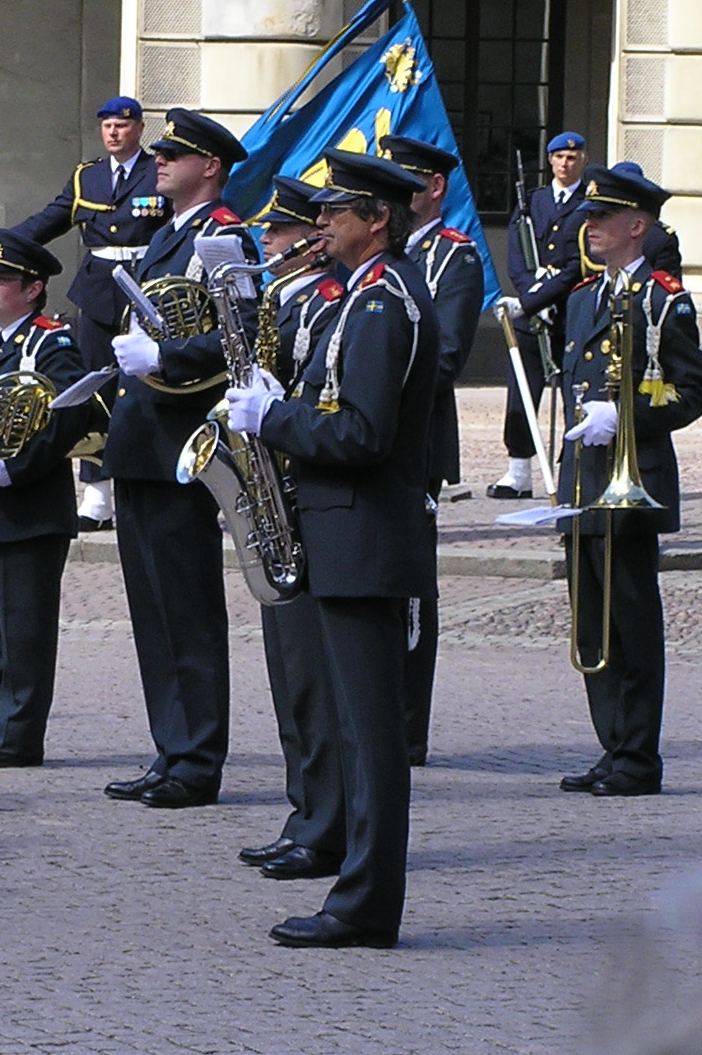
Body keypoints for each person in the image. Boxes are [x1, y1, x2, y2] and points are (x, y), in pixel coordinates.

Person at [225, 149, 438, 949]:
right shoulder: (362, 298)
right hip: (341, 533)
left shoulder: (385, 304)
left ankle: (365, 904)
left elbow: (363, 434)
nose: (321, 224)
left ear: (377, 219)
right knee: (355, 731)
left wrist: (271, 420)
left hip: (364, 538)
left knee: (370, 738)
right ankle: (356, 890)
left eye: (335, 211)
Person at [100, 108, 256, 809]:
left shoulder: (224, 237)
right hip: (143, 441)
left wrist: (165, 354)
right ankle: (172, 747)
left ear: (211, 167)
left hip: (182, 444)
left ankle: (197, 758)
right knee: (153, 609)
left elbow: (241, 336)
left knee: (186, 607)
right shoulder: (168, 233)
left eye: (175, 154)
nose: (158, 161)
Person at [553, 165, 702, 798]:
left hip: (633, 480)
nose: (588, 228)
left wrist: (626, 416)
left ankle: (639, 757)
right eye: (588, 218)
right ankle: (612, 744)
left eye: (600, 219)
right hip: (585, 482)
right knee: (590, 624)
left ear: (635, 226)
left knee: (631, 621)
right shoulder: (583, 299)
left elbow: (694, 387)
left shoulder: (661, 297)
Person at [234, 177, 350, 882]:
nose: (266, 245)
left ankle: (327, 824)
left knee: (315, 681)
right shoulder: (285, 299)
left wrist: (278, 408)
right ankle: (303, 812)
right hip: (283, 501)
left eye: (277, 234)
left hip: (311, 503)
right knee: (290, 680)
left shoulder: (334, 303)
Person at [0, 229, 91, 768]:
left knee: (23, 633)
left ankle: (18, 738)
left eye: (1, 279)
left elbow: (68, 414)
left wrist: (21, 466)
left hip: (28, 506)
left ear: (32, 289)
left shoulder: (51, 344)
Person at [380, 134, 486, 768]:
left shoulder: (456, 259)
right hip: (370, 435)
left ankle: (408, 725)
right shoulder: (383, 257)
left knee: (412, 588)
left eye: (407, 183)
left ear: (435, 188)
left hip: (415, 439)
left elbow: (444, 358)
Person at [13, 95, 164, 531]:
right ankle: (98, 495)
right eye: (107, 126)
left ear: (137, 129)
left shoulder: (158, 171)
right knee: (95, 389)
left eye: (121, 125)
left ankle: (150, 479)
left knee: (149, 386)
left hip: (146, 287)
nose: (113, 133)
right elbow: (51, 219)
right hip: (99, 290)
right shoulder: (88, 177)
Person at [495, 132, 587, 498]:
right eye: (559, 157)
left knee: (573, 391)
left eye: (572, 156)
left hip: (568, 314)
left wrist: (544, 298)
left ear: (582, 159)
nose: (565, 163)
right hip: (533, 313)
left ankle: (573, 469)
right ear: (549, 160)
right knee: (521, 390)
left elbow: (576, 264)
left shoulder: (588, 204)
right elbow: (518, 255)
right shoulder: (533, 201)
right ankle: (518, 470)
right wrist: (530, 292)